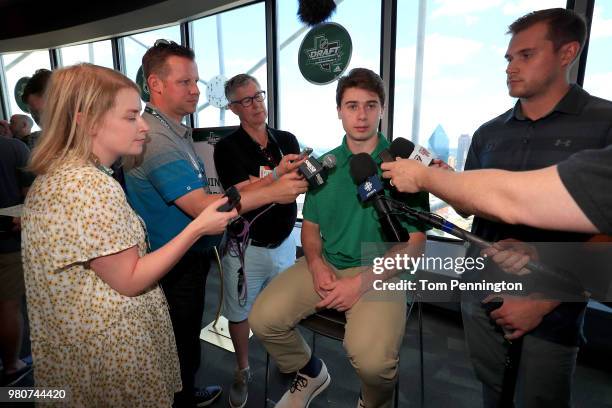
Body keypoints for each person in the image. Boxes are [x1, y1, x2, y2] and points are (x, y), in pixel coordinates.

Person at [399, 9, 612, 407]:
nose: (511, 68)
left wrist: (545, 299)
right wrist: (451, 185)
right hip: (482, 289)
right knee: (491, 391)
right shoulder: (489, 133)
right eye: (509, 59)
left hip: (555, 307)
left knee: (539, 399)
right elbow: (473, 211)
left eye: (526, 56)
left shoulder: (605, 125)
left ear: (568, 53)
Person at [21, 63, 236, 407]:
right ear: (89, 120)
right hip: (112, 354)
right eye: (131, 116)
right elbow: (130, 279)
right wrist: (197, 228)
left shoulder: (61, 174)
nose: (143, 127)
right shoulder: (88, 185)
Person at [124, 40, 307, 408]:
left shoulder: (175, 132)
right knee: (180, 346)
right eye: (185, 82)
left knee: (186, 341)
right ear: (155, 85)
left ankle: (186, 393)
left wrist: (272, 180)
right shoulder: (157, 140)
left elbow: (219, 195)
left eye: (196, 81)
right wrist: (273, 190)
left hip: (192, 259)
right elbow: (204, 208)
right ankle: (185, 397)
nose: (195, 90)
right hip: (174, 264)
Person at [249, 68, 429, 408]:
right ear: (339, 110)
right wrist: (315, 264)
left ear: (382, 109)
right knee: (262, 319)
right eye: (351, 106)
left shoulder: (402, 165)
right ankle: (311, 370)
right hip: (329, 262)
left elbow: (416, 244)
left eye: (370, 105)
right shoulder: (324, 166)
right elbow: (312, 229)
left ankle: (372, 401)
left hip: (381, 271)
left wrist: (360, 284)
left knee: (374, 364)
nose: (361, 115)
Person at [213, 73, 305, 408]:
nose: (257, 105)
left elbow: (297, 181)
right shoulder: (226, 147)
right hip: (245, 249)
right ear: (234, 108)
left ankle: (287, 360)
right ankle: (243, 369)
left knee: (283, 309)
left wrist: (264, 181)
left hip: (282, 243)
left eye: (259, 96)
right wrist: (276, 177)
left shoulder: (286, 139)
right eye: (247, 100)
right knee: (240, 313)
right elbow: (238, 191)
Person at [0, 135, 32, 386]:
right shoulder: (13, 148)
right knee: (9, 307)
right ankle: (12, 365)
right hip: (8, 243)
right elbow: (31, 196)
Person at [21, 68, 52, 149]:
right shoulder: (33, 143)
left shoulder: (84, 137)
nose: (40, 121)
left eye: (42, 113)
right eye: (34, 114)